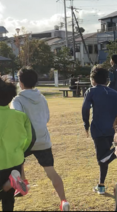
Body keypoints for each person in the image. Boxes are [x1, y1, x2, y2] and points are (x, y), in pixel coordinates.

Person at [11, 67, 70, 211]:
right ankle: (63, 201)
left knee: (16, 161)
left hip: (26, 141)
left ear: (20, 82)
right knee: (51, 172)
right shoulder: (42, 97)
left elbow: (16, 120)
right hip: (43, 139)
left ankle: (23, 184)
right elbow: (47, 117)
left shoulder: (17, 100)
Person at [0, 73, 35, 211]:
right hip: (15, 162)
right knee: (8, 201)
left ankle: (10, 183)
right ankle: (12, 182)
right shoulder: (20, 116)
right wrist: (22, 153)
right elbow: (32, 138)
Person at [83, 66, 117, 195]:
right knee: (104, 157)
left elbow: (85, 109)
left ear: (93, 79)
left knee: (101, 159)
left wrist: (85, 125)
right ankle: (101, 185)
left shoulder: (91, 91)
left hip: (98, 130)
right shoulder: (114, 93)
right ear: (107, 79)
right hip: (112, 130)